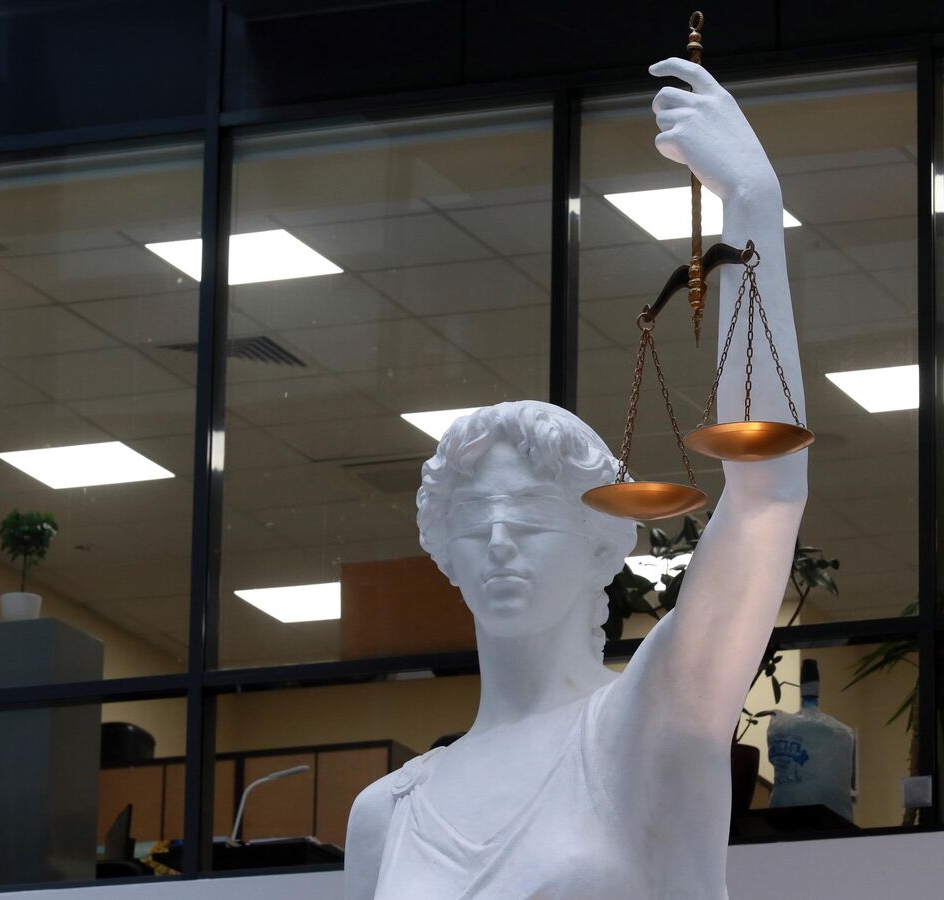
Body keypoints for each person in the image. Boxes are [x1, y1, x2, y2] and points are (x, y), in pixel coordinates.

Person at [343, 56, 808, 900]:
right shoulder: (387, 812)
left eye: (529, 514)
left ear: (601, 544)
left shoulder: (648, 721)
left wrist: (751, 205)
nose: (497, 540)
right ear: (444, 552)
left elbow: (764, 498)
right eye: (472, 518)